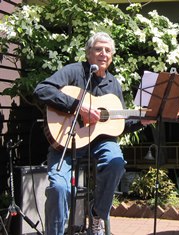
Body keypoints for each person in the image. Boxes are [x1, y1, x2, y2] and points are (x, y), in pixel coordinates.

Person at [33, 32, 154, 235]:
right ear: (89, 53)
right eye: (98, 49)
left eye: (108, 50)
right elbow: (41, 89)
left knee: (116, 162)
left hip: (100, 143)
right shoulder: (74, 71)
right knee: (58, 189)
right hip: (65, 141)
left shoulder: (114, 84)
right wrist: (77, 107)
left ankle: (97, 214)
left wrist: (141, 122)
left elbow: (119, 123)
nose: (103, 54)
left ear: (112, 56)